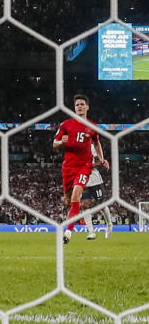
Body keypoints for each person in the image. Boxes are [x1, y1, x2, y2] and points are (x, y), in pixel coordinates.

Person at [54, 94, 108, 244]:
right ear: (74, 108)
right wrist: (61, 142)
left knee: (77, 196)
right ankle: (72, 223)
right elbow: (54, 143)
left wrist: (101, 158)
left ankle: (68, 233)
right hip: (68, 168)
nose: (79, 106)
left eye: (82, 104)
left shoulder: (92, 126)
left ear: (87, 107)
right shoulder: (66, 124)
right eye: (77, 104)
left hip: (84, 167)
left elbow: (97, 144)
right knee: (69, 201)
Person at [81, 165, 112, 240]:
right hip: (83, 180)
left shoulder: (94, 152)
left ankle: (109, 224)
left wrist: (87, 166)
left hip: (95, 181)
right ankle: (91, 232)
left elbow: (99, 162)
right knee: (84, 205)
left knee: (101, 205)